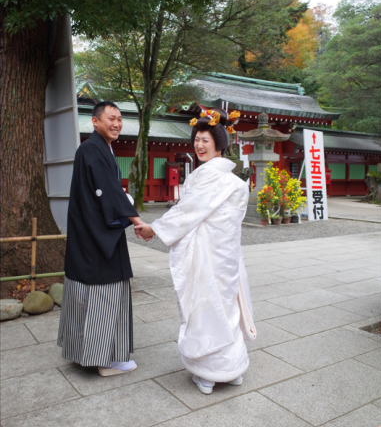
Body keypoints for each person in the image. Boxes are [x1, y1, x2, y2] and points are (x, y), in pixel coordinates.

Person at [136, 108, 256, 394]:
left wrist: (154, 228)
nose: (199, 145)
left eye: (205, 139)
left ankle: (209, 373)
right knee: (226, 305)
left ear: (219, 142)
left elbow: (187, 213)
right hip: (227, 255)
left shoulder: (208, 177)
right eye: (197, 140)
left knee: (206, 308)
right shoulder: (235, 181)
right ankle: (232, 368)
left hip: (207, 255)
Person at [58, 101, 145, 377]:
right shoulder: (92, 150)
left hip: (89, 234)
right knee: (103, 296)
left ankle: (81, 352)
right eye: (111, 118)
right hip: (97, 240)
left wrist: (126, 208)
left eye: (119, 119)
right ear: (95, 122)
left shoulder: (96, 149)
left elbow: (108, 192)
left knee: (84, 295)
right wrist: (138, 221)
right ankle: (104, 361)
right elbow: (109, 193)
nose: (117, 123)